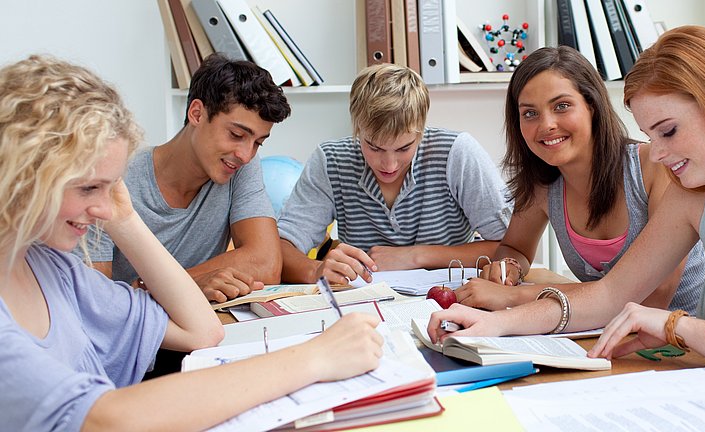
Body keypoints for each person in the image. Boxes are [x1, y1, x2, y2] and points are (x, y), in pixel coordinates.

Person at [0, 55, 383, 431]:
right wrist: (315, 358)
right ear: (22, 174)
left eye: (110, 188)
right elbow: (104, 418)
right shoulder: (59, 265)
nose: (103, 207)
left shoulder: (54, 270)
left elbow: (206, 329)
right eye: (89, 187)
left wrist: (125, 218)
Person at [428, 26, 705, 385]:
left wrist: (678, 327)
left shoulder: (670, 180)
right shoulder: (691, 195)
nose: (660, 152)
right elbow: (610, 294)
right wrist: (496, 322)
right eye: (652, 136)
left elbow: (656, 307)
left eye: (668, 131)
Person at [454, 45, 705, 314]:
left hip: (682, 340)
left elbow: (652, 297)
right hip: (600, 329)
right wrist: (508, 269)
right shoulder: (542, 184)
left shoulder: (654, 167)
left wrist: (518, 296)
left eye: (562, 106)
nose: (546, 124)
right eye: (530, 113)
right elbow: (515, 247)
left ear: (592, 106)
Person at [278, 63, 512, 285]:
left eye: (403, 148)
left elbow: (511, 247)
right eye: (374, 147)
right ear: (357, 128)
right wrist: (316, 270)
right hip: (366, 305)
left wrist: (415, 256)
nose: (389, 165)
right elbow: (280, 247)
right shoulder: (331, 161)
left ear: (420, 132)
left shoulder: (457, 153)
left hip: (452, 303)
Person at [83, 53, 289, 303]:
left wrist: (165, 287)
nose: (246, 154)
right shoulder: (114, 177)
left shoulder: (240, 165)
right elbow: (92, 300)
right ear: (197, 113)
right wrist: (185, 287)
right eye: (236, 134)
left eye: (258, 142)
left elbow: (265, 264)